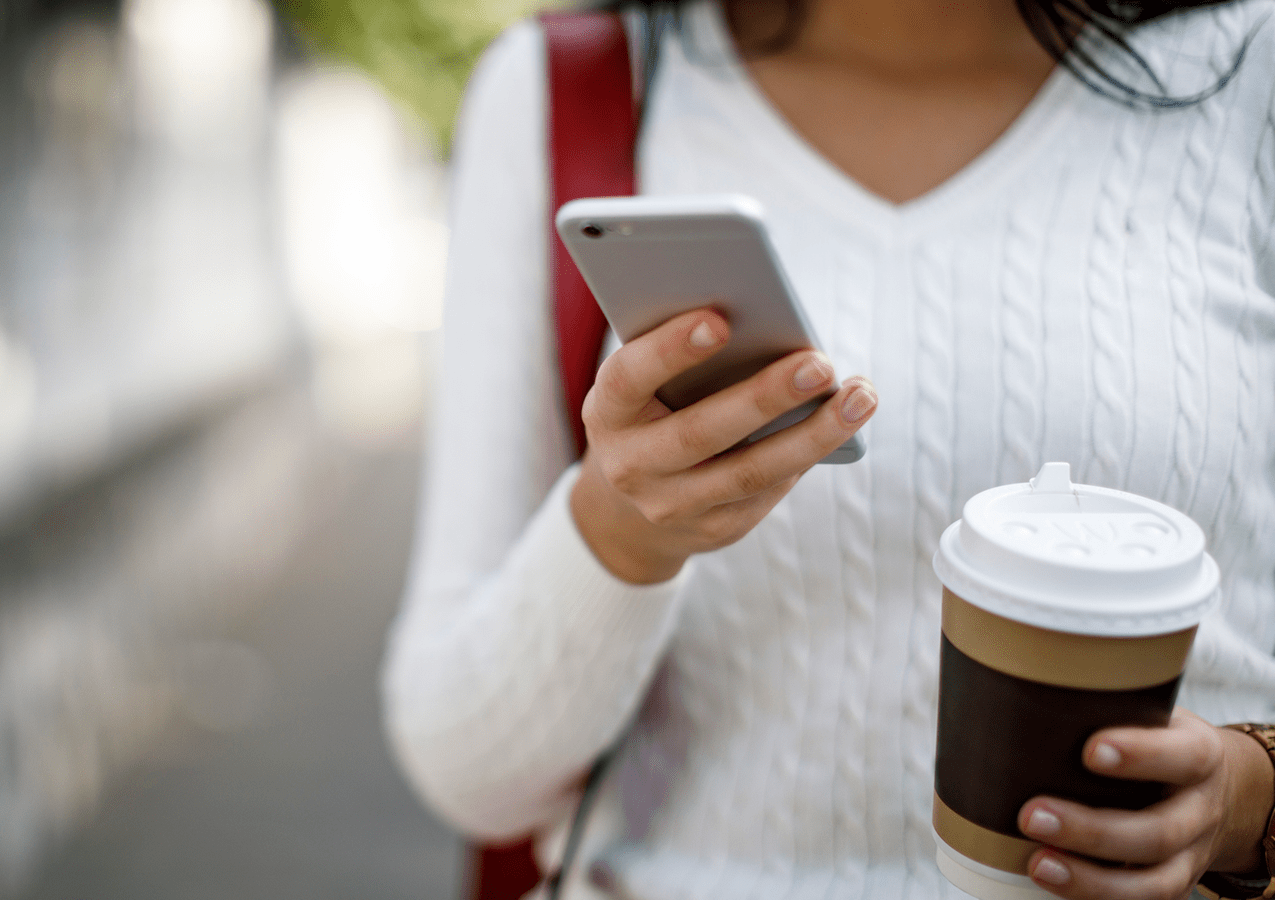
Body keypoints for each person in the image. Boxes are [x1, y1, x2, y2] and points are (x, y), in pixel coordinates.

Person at [382, 0, 1275, 896]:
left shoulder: (1253, 71)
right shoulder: (565, 89)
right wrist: (621, 533)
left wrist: (1242, 801)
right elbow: (469, 773)